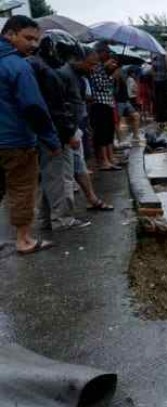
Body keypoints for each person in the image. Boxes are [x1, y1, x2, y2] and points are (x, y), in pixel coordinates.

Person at [0, 15, 60, 254]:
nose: (34, 44)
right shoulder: (18, 66)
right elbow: (34, 107)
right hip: (16, 141)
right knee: (22, 188)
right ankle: (24, 240)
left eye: (36, 39)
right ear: (9, 34)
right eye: (28, 38)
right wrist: (51, 140)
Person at [29, 29, 91, 231]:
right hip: (55, 134)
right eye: (66, 55)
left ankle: (47, 219)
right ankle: (62, 219)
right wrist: (69, 133)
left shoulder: (35, 66)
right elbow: (56, 109)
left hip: (43, 133)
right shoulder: (48, 73)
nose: (67, 61)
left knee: (50, 177)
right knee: (61, 176)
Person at [56, 33, 113, 211]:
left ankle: (92, 200)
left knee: (79, 166)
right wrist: (69, 132)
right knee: (65, 174)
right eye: (91, 64)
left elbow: (79, 102)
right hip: (66, 131)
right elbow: (59, 107)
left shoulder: (79, 76)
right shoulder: (63, 75)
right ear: (77, 60)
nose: (94, 68)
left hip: (75, 128)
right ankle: (62, 217)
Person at [87, 41, 119, 170]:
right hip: (99, 103)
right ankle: (103, 161)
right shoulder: (96, 67)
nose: (108, 55)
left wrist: (110, 73)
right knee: (101, 134)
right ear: (99, 53)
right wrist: (110, 76)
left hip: (108, 103)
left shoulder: (104, 68)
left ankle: (110, 158)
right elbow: (99, 86)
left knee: (109, 133)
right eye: (106, 52)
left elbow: (110, 89)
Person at [151, 53, 167, 123]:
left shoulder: (154, 55)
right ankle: (163, 116)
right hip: (163, 80)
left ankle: (160, 117)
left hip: (157, 81)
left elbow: (153, 70)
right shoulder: (164, 54)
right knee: (164, 99)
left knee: (159, 100)